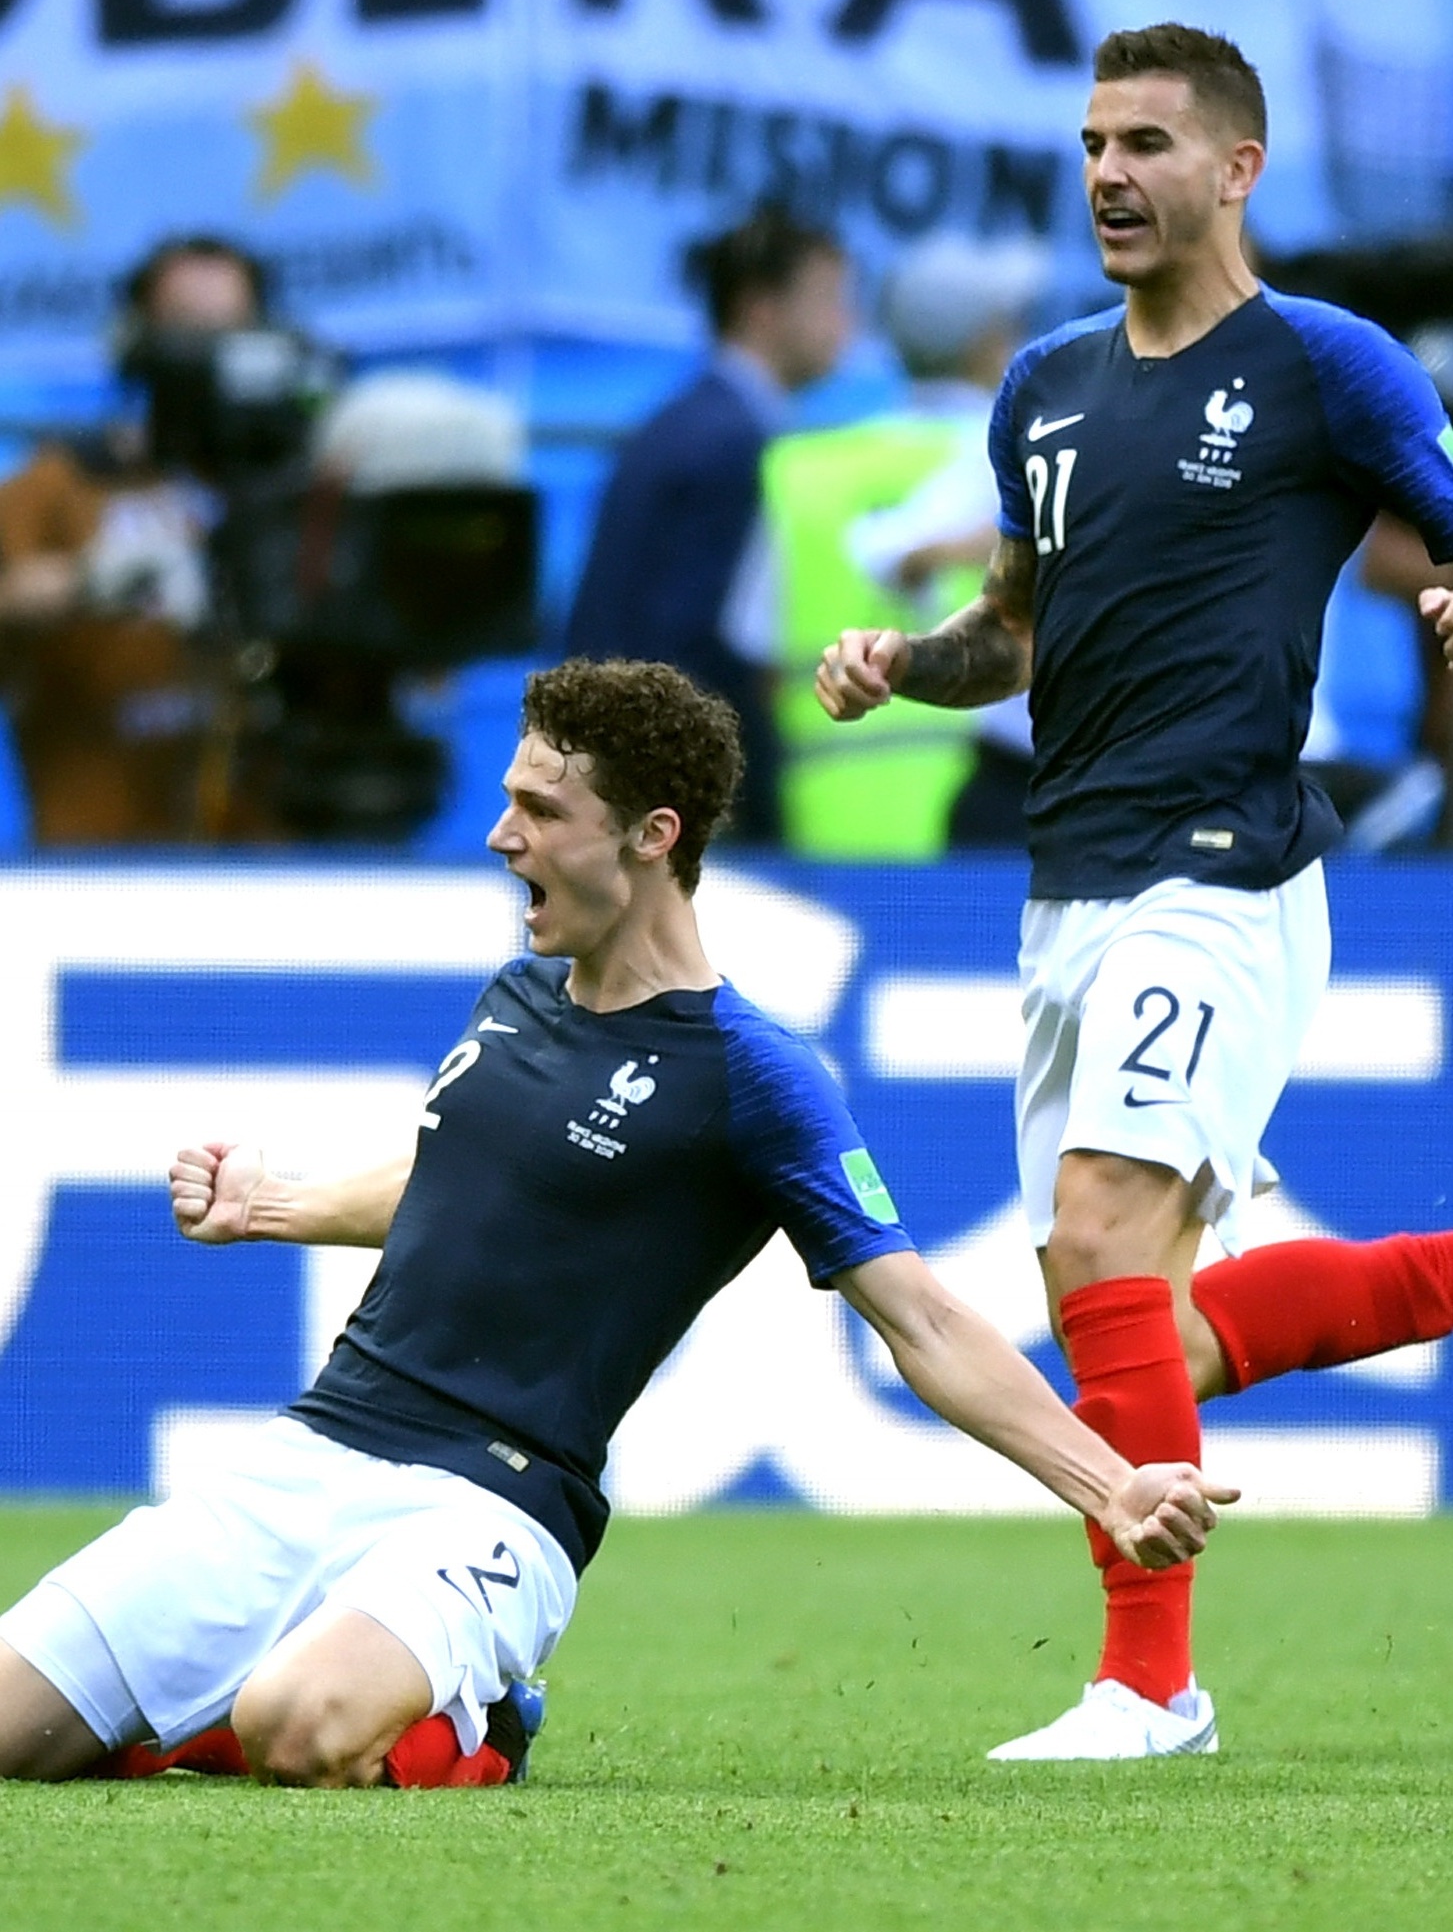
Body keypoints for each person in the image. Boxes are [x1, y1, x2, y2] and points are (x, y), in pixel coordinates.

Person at [0, 658, 1233, 1790]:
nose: (500, 835)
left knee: (301, 1726)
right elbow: (460, 1185)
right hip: (314, 1446)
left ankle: (484, 1723)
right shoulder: (520, 989)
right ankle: (212, 1706)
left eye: (540, 809)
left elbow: (920, 1314)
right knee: (13, 1728)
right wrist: (274, 1204)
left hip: (493, 1500)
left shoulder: (754, 1072)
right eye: (507, 800)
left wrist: (1109, 1484)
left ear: (653, 836)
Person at [816, 22, 1453, 1760]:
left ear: (1235, 170)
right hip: (1063, 881)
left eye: (1148, 144)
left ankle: (1149, 1684)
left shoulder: (1325, 364)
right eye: (1093, 141)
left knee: (1097, 1230)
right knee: (1140, 1321)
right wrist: (902, 659)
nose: (1107, 172)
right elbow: (1009, 630)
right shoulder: (1041, 386)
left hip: (1224, 867)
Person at [563, 204, 852, 844]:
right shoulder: (733, 445)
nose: (846, 324)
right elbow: (702, 640)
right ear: (761, 309)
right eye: (829, 301)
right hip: (671, 793)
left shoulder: (688, 422)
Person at [751, 232, 1042, 858]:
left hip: (828, 821)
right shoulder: (1030, 459)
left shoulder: (804, 470)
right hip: (989, 814)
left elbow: (762, 667)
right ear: (990, 341)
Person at [0, 236, 266, 843]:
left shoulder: (301, 490)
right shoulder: (52, 488)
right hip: (99, 867)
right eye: (185, 334)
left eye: (231, 335)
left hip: (282, 868)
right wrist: (93, 581)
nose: (207, 360)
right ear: (135, 340)